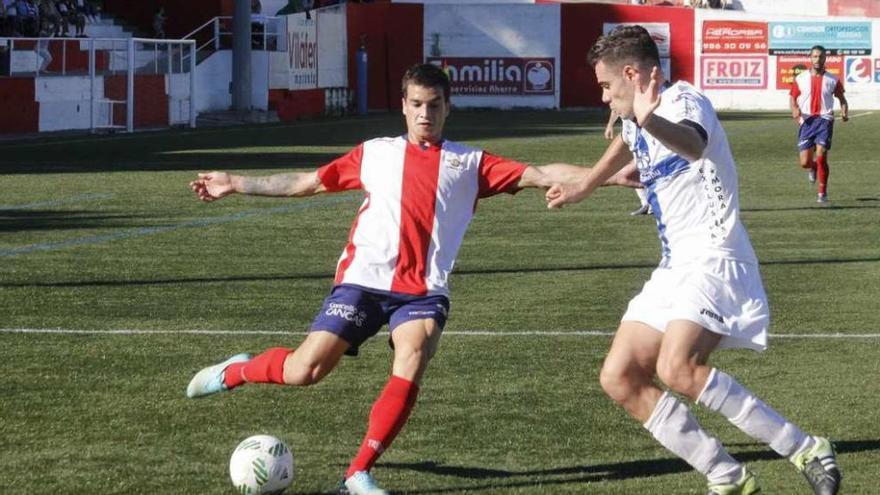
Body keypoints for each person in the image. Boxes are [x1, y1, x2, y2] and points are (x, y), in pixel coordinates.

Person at [186, 63, 635, 495]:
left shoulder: (470, 163)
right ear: (403, 105)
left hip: (421, 292)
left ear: (448, 107)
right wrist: (237, 182)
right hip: (362, 282)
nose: (426, 114)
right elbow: (308, 182)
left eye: (435, 104)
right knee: (306, 370)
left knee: (414, 351)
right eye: (417, 104)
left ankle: (358, 473)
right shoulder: (376, 153)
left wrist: (607, 178)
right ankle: (238, 370)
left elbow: (543, 174)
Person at [546, 26, 841, 495]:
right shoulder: (635, 119)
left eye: (606, 86)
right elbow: (626, 142)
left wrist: (645, 121)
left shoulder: (683, 102)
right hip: (675, 264)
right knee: (619, 376)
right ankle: (728, 477)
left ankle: (806, 447)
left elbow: (693, 143)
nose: (603, 97)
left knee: (677, 367)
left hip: (716, 255)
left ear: (631, 74)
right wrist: (588, 183)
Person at [790, 45, 848, 203]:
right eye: (815, 56)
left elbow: (842, 100)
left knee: (822, 154)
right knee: (804, 163)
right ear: (810, 58)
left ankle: (822, 193)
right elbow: (792, 98)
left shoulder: (832, 79)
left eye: (821, 56)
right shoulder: (800, 78)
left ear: (825, 59)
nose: (818, 59)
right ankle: (813, 167)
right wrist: (794, 108)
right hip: (806, 121)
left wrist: (844, 112)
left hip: (825, 119)